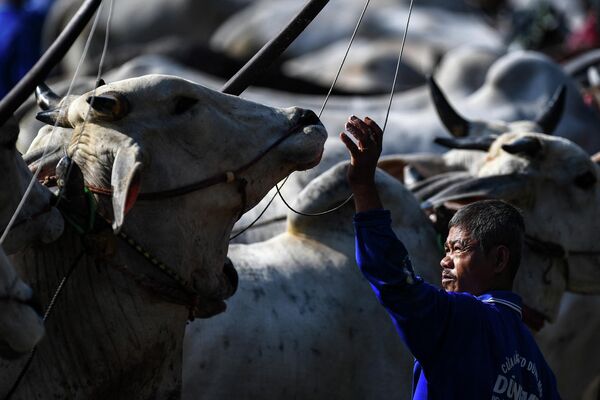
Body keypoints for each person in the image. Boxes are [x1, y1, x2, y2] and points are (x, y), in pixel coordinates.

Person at [340, 115, 561, 399]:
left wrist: (363, 186)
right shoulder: (539, 371)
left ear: (499, 260)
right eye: (446, 250)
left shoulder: (462, 319)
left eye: (458, 249)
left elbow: (391, 276)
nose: (445, 261)